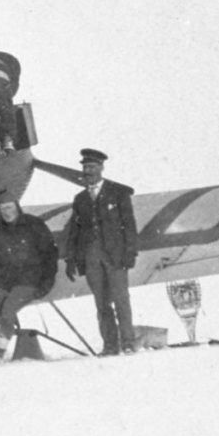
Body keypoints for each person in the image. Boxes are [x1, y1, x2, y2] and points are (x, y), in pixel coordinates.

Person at [63, 149, 139, 355]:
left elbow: (129, 225)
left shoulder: (119, 193)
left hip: (115, 256)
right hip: (91, 258)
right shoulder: (80, 199)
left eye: (92, 167)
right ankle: (110, 345)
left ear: (101, 168)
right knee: (102, 303)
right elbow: (75, 231)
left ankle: (128, 343)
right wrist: (71, 259)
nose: (88, 171)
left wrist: (130, 252)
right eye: (85, 167)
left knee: (121, 300)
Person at [0, 190, 58, 363]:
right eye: (2, 209)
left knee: (7, 312)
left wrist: (47, 282)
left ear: (17, 206)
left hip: (29, 279)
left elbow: (50, 254)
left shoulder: (34, 224)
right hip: (5, 279)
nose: (6, 212)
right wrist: (1, 276)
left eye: (9, 207)